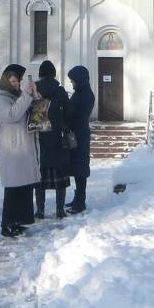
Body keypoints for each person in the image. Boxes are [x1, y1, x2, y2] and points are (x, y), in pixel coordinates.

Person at [0, 63, 40, 238]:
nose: (15, 84)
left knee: (24, 187)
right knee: (13, 189)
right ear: (5, 81)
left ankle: (19, 221)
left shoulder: (19, 97)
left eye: (17, 81)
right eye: (12, 81)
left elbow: (31, 114)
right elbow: (11, 115)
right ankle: (7, 224)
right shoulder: (1, 100)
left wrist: (35, 98)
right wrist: (25, 97)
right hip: (12, 150)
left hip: (23, 148)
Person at [34, 59, 72, 220]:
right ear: (54, 74)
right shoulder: (60, 91)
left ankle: (40, 210)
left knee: (40, 177)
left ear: (40, 74)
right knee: (60, 178)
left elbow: (31, 114)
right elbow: (69, 113)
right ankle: (59, 210)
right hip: (57, 138)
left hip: (40, 137)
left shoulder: (35, 90)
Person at [65, 65, 95, 213]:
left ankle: (80, 202)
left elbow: (76, 114)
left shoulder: (85, 95)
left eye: (73, 81)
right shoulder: (81, 93)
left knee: (80, 168)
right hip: (78, 134)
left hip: (80, 135)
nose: (72, 83)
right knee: (77, 167)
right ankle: (78, 198)